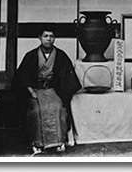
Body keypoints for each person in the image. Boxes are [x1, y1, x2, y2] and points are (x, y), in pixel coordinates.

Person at [12, 27, 81, 156]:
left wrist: (62, 91)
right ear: (40, 38)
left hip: (53, 90)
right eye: (45, 36)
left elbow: (66, 76)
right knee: (36, 110)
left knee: (58, 107)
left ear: (54, 38)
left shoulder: (60, 55)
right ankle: (37, 143)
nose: (48, 39)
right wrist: (30, 90)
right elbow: (23, 76)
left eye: (51, 36)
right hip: (35, 90)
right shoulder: (31, 56)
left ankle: (59, 141)